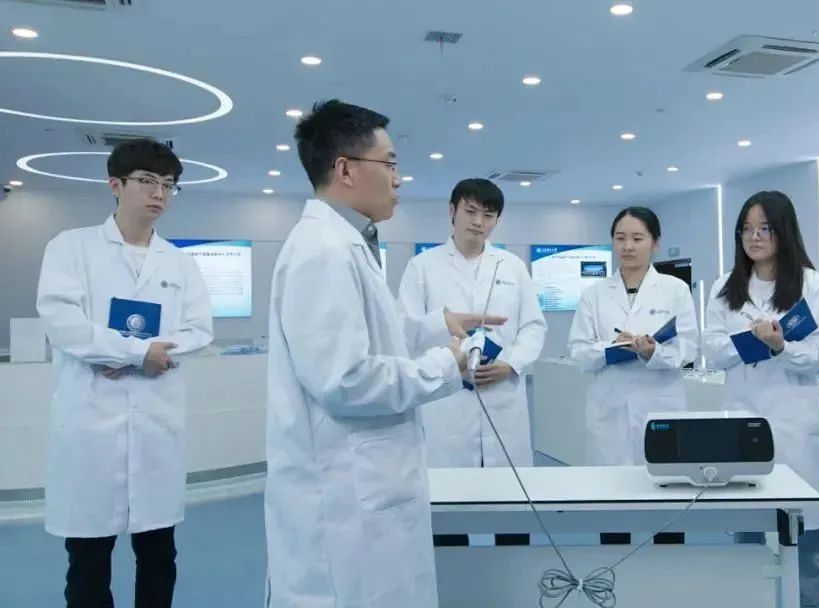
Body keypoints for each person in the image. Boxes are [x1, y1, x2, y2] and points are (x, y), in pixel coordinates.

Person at [263, 100, 503, 608]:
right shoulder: (324, 252)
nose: (399, 178)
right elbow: (346, 380)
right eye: (389, 163)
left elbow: (378, 333)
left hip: (369, 489)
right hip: (344, 502)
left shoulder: (348, 245)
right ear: (346, 169)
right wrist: (447, 364)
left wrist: (437, 326)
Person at [36, 139, 214, 608]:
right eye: (147, 181)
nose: (159, 193)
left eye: (169, 185)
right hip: (91, 428)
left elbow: (199, 330)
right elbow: (63, 324)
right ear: (115, 185)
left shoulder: (180, 262)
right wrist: (135, 354)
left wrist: (146, 354)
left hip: (156, 427)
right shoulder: (71, 247)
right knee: (88, 562)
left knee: (159, 555)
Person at [703, 190, 819, 608]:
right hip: (742, 417)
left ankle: (811, 603)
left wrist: (782, 347)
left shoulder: (814, 286)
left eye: (765, 228)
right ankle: (750, 600)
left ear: (784, 231)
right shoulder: (725, 287)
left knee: (804, 529)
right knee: (746, 525)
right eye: (747, 229)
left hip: (794, 420)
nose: (755, 237)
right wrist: (751, 342)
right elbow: (713, 349)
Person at [399, 178, 547, 469]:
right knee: (448, 484)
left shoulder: (512, 266)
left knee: (507, 485)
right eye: (470, 211)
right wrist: (442, 328)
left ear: (496, 221)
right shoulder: (423, 266)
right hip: (447, 394)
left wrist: (511, 363)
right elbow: (406, 329)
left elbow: (533, 326)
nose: (478, 222)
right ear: (452, 211)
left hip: (502, 389)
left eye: (488, 215)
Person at [567, 206, 699, 466]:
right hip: (609, 405)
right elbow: (579, 351)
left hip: (659, 401)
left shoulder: (675, 290)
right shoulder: (594, 294)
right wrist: (610, 347)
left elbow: (688, 348)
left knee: (661, 476)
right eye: (620, 238)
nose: (627, 246)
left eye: (637, 238)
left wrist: (653, 352)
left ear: (655, 243)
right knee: (609, 480)